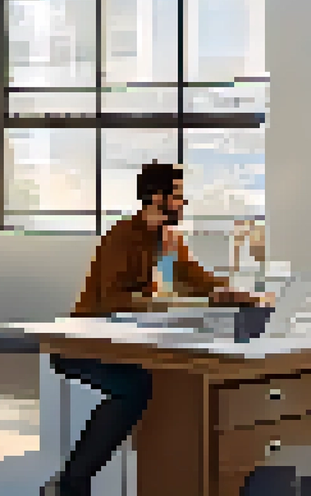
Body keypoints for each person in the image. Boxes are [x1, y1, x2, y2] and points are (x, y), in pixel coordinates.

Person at [43, 161, 269, 496]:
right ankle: (72, 483)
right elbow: (112, 299)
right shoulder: (122, 235)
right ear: (155, 197)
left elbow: (198, 281)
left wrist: (244, 297)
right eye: (177, 196)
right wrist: (165, 303)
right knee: (135, 387)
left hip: (135, 340)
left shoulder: (169, 239)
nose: (182, 203)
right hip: (88, 343)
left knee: (173, 380)